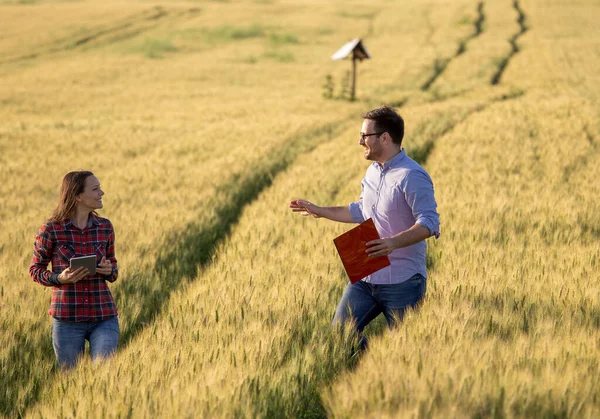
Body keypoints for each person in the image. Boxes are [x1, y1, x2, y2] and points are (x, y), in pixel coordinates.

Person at [290, 106, 440, 351]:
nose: (360, 141)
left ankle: (385, 372)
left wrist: (393, 243)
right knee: (340, 335)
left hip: (402, 281)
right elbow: (361, 211)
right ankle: (371, 368)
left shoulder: (412, 175)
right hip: (366, 275)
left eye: (365, 136)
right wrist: (320, 210)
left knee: (404, 352)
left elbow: (429, 223)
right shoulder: (372, 171)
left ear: (385, 137)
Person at [29, 171, 119, 368]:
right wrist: (59, 278)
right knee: (70, 380)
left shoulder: (104, 227)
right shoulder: (51, 229)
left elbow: (113, 268)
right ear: (78, 196)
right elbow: (36, 269)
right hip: (67, 319)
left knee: (105, 375)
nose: (101, 193)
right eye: (95, 189)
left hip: (103, 315)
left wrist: (108, 269)